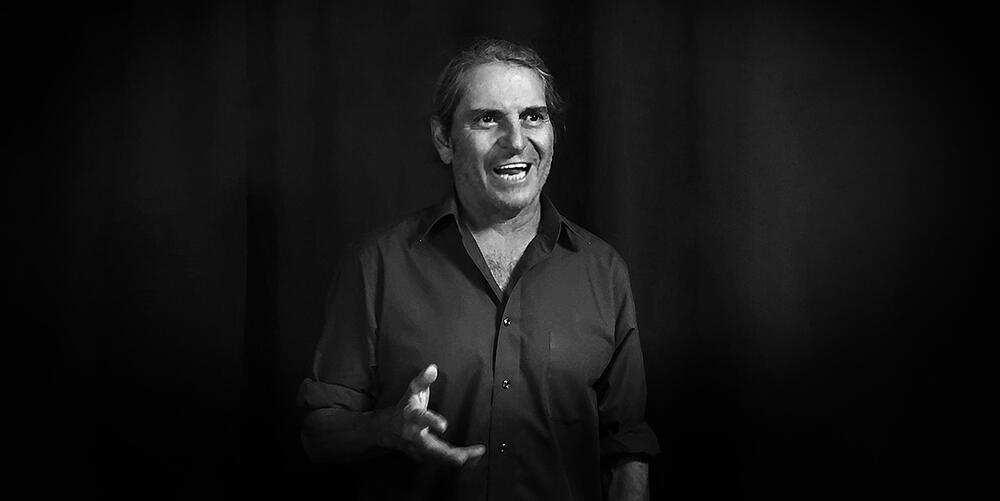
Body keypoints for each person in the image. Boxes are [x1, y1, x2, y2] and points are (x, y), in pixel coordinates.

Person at [298, 39, 659, 500]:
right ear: (444, 140)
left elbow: (626, 442)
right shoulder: (377, 263)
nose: (516, 140)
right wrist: (386, 427)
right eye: (488, 119)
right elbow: (318, 433)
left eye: (533, 116)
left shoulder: (603, 270)